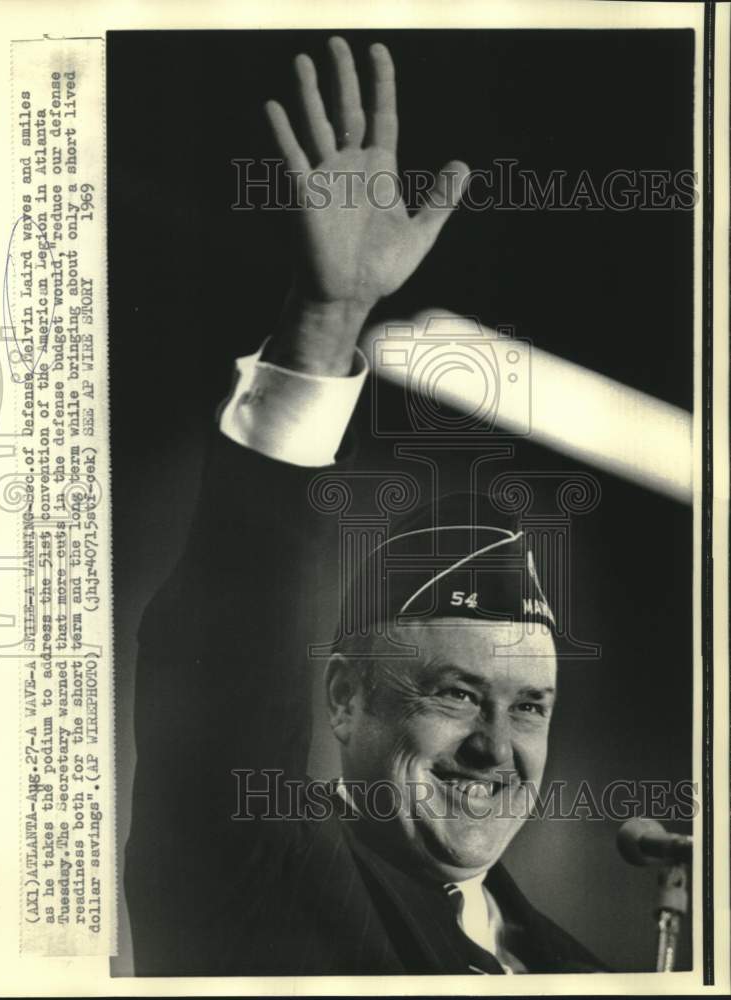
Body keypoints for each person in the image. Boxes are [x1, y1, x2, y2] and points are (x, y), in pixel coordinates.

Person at [125, 36, 605, 976]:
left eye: (529, 707)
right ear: (344, 700)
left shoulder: (583, 968)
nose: (494, 749)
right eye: (456, 693)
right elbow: (223, 665)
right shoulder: (262, 874)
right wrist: (325, 319)